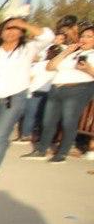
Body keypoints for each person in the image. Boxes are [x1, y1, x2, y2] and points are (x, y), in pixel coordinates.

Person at [0, 16, 53, 185]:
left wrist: (23, 23)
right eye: (7, 28)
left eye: (15, 28)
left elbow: (47, 36)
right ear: (0, 32)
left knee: (0, 136)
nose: (11, 32)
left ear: (22, 32)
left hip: (13, 98)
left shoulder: (28, 48)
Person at [27, 22, 94, 163]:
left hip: (77, 89)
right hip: (57, 88)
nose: (84, 39)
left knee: (69, 121)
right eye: (83, 36)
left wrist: (88, 69)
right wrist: (66, 52)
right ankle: (41, 150)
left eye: (89, 37)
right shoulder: (73, 53)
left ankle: (61, 153)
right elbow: (50, 67)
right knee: (48, 120)